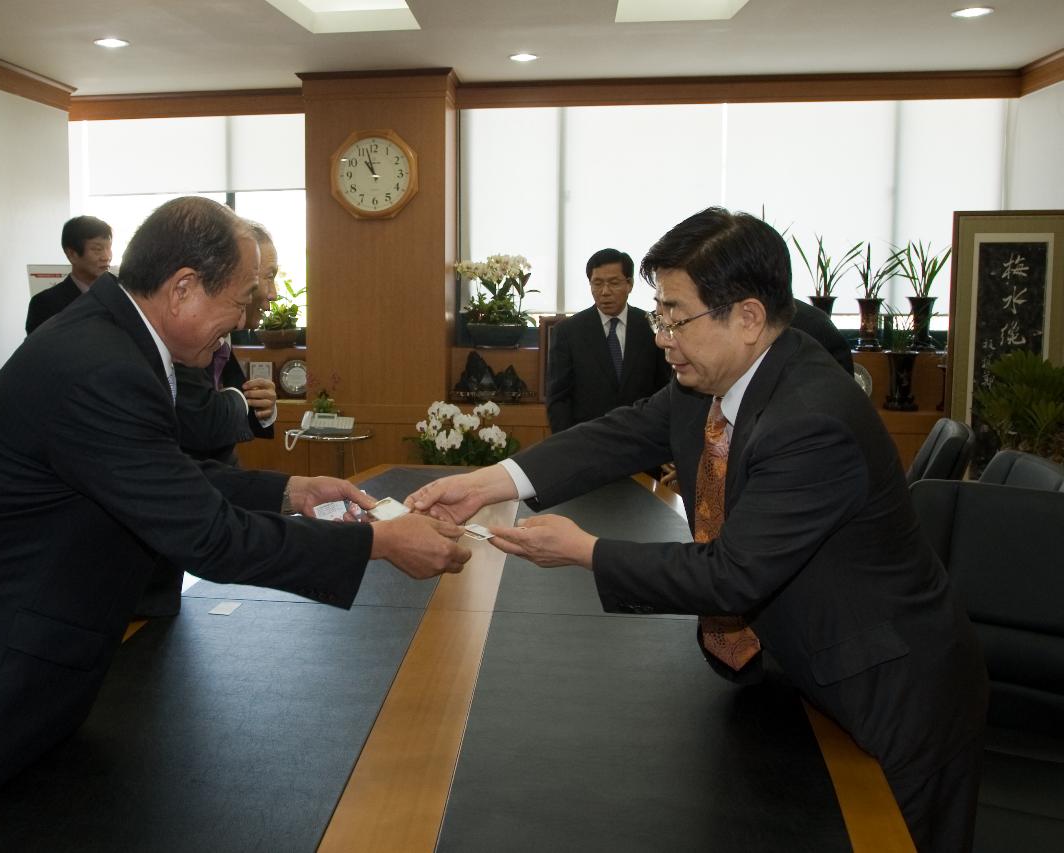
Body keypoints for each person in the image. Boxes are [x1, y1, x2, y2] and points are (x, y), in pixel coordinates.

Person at [0, 196, 470, 852]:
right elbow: (204, 535)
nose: (239, 325)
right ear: (182, 288)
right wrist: (377, 541)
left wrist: (289, 488)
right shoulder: (101, 367)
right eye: (240, 302)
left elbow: (160, 481)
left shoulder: (117, 344)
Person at [406, 207, 987, 853]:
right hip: (804, 667)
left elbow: (732, 574)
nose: (662, 337)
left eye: (675, 317)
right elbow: (618, 433)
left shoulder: (811, 419)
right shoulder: (711, 379)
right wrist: (491, 481)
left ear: (747, 316)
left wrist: (586, 552)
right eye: (659, 316)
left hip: (890, 683)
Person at [175, 220, 280, 466]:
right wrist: (239, 400)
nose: (273, 293)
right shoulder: (186, 339)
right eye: (269, 277)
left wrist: (263, 408)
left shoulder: (224, 338)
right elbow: (200, 421)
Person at [546, 248, 669, 433]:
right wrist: (568, 445)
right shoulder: (568, 331)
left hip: (643, 439)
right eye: (597, 283)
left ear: (629, 284)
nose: (605, 292)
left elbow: (664, 387)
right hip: (587, 439)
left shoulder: (651, 326)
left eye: (613, 283)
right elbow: (559, 398)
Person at [25, 215, 113, 334]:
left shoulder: (120, 295)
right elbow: (40, 350)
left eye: (109, 248)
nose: (107, 257)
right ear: (72, 254)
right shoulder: (44, 304)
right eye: (98, 249)